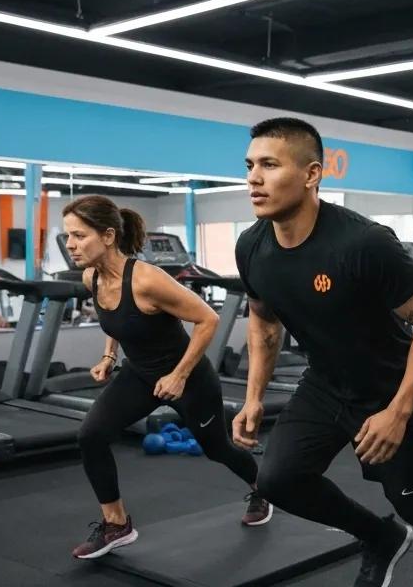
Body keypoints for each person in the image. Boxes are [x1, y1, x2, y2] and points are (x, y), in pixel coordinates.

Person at [232, 117, 413, 587]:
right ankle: (379, 536)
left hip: (390, 386)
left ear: (312, 174)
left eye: (269, 165)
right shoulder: (253, 246)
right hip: (324, 384)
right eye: (250, 165)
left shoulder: (363, 243)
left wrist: (398, 412)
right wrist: (252, 397)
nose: (254, 178)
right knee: (277, 480)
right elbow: (264, 325)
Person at [63, 195, 270, 560]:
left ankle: (262, 487)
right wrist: (109, 354)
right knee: (90, 436)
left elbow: (208, 319)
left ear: (108, 236)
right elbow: (114, 316)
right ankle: (117, 524)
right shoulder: (90, 277)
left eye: (79, 236)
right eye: (68, 237)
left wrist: (178, 375)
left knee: (216, 447)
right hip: (140, 375)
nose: (70, 245)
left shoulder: (147, 279)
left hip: (188, 378)